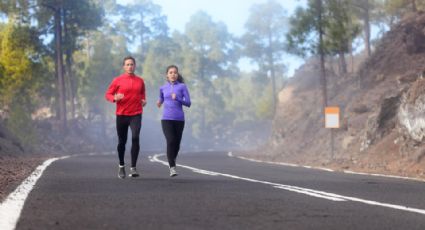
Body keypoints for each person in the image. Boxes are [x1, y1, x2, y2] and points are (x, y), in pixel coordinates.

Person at [105, 56, 146, 179]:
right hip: (122, 115)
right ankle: (121, 165)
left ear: (135, 66)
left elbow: (142, 94)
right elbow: (108, 94)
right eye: (127, 64)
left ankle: (133, 168)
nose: (130, 66)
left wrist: (144, 100)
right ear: (124, 67)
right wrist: (114, 98)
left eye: (132, 64)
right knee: (122, 141)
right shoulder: (117, 80)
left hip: (136, 114)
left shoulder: (140, 81)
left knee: (135, 137)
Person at [156, 65, 191, 177]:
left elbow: (188, 103)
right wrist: (159, 102)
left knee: (177, 144)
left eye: (175, 72)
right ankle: (172, 167)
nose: (173, 74)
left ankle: (172, 159)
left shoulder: (182, 87)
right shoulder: (162, 88)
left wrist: (178, 99)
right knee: (170, 140)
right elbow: (161, 97)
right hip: (166, 119)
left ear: (177, 74)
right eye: (170, 72)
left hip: (179, 119)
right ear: (167, 75)